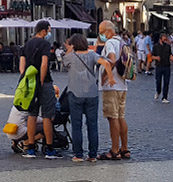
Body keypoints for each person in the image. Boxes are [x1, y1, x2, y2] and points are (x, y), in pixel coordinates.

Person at [63, 33, 112, 163]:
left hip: (75, 93)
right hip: (91, 93)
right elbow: (106, 63)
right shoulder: (92, 55)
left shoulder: (71, 57)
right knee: (92, 125)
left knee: (76, 125)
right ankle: (92, 155)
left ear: (74, 45)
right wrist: (110, 78)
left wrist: (69, 48)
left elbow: (64, 61)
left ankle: (78, 154)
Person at [19, 20, 62, 159]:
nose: (49, 33)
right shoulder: (44, 44)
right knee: (47, 116)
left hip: (29, 84)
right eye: (48, 31)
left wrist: (26, 80)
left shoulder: (26, 44)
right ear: (43, 31)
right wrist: (42, 81)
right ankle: (49, 148)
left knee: (31, 115)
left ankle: (30, 147)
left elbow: (21, 67)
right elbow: (44, 64)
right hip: (44, 83)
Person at [97, 20, 130, 161]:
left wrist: (106, 75)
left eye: (101, 31)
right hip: (122, 85)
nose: (100, 35)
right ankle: (125, 148)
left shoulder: (110, 43)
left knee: (113, 117)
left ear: (108, 31)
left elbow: (112, 58)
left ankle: (114, 150)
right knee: (121, 116)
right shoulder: (122, 42)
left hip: (112, 86)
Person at [152, 33, 173, 103]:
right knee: (158, 81)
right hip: (159, 66)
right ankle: (158, 91)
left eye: (166, 38)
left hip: (167, 66)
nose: (165, 39)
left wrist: (172, 58)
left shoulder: (168, 46)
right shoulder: (155, 46)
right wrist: (156, 57)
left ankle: (164, 97)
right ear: (160, 38)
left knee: (166, 82)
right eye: (164, 38)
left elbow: (171, 54)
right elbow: (151, 56)